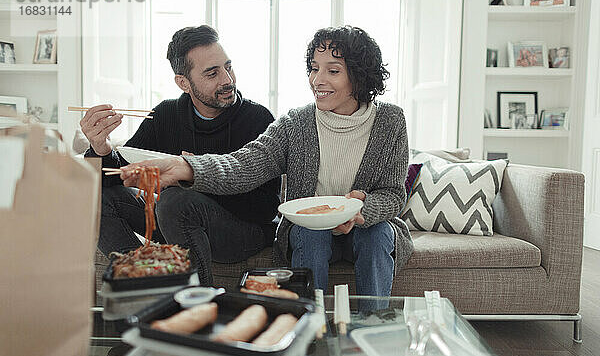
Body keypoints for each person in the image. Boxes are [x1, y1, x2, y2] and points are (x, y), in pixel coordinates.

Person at [121, 25, 414, 304]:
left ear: (359, 77)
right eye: (314, 68)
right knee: (308, 233)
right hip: (308, 231)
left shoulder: (390, 121)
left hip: (365, 229)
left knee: (377, 234)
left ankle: (374, 326)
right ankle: (308, 329)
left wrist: (363, 209)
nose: (317, 80)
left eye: (332, 71)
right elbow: (244, 165)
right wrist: (188, 168)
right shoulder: (295, 123)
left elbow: (393, 195)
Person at [82, 25, 280, 285]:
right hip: (176, 222)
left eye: (228, 67)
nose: (227, 80)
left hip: (242, 231)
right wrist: (101, 148)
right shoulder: (165, 115)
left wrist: (193, 176)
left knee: (176, 200)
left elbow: (266, 209)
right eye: (212, 73)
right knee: (97, 199)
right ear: (183, 82)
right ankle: (144, 280)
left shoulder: (257, 118)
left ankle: (197, 301)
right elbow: (121, 175)